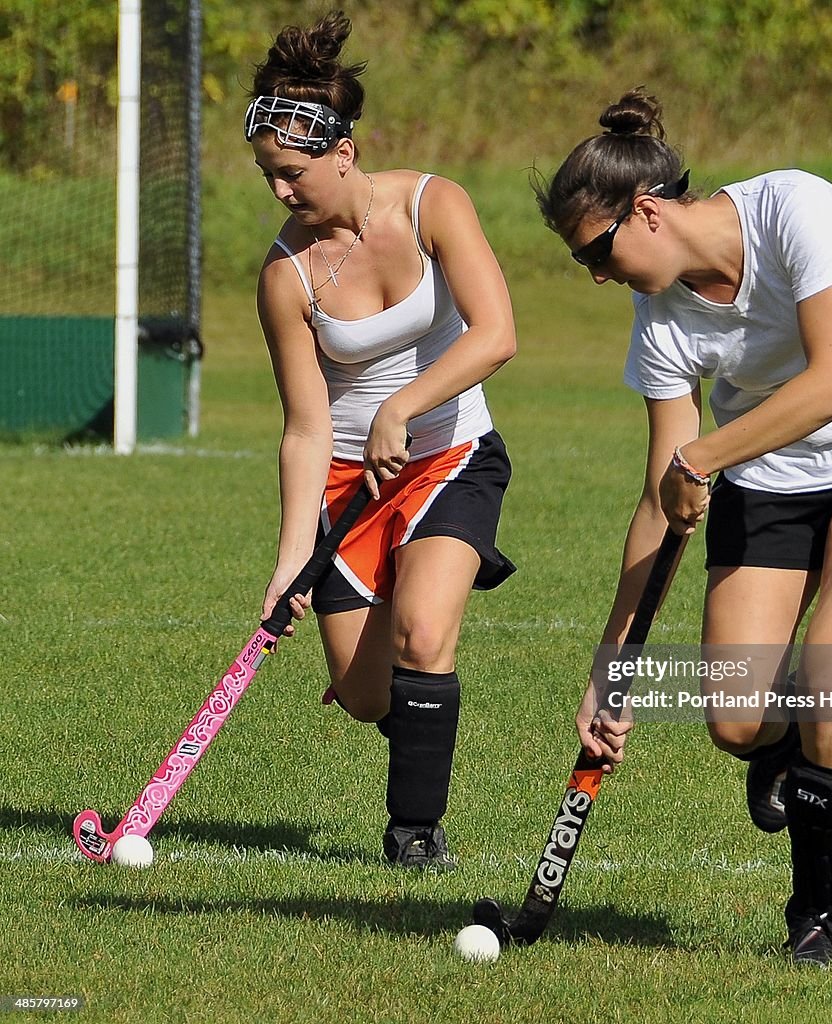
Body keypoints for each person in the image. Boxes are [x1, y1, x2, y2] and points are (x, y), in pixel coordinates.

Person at [534, 89, 832, 965]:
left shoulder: (797, 211)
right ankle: (790, 746)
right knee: (735, 719)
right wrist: (611, 669)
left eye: (596, 251)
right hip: (769, 479)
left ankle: (817, 919)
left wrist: (704, 457)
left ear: (645, 211)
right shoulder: (658, 323)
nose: (595, 275)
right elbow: (662, 494)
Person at [245, 10, 517, 869]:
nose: (282, 194)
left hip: (448, 453)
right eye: (268, 177)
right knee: (367, 696)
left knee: (424, 637)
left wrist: (406, 407)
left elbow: (495, 334)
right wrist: (292, 556)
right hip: (344, 483)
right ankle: (415, 700)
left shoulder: (434, 201)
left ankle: (414, 834)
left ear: (343, 152)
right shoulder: (284, 276)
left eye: (294, 174)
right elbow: (304, 423)